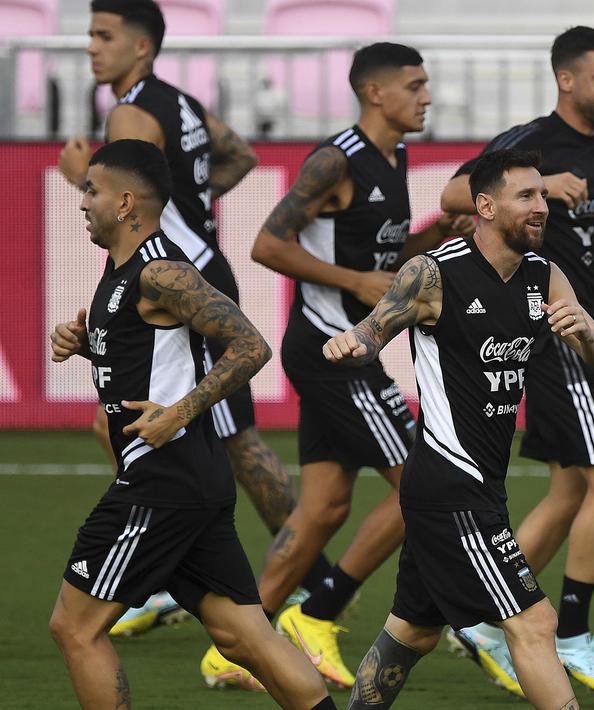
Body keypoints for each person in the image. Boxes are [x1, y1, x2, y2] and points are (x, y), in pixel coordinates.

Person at [57, 0, 339, 641]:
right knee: (195, 432)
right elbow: (239, 155)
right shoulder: (180, 103)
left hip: (176, 279)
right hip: (202, 266)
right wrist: (191, 203)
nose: (92, 47)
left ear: (142, 47)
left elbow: (122, 199)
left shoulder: (128, 113)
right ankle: (291, 571)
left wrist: (80, 177)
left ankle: (301, 574)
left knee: (228, 439)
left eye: (104, 35)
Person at [47, 139, 336, 710]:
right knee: (242, 636)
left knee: (75, 627)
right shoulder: (123, 267)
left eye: (92, 191)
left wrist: (179, 412)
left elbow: (250, 346)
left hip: (162, 483)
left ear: (125, 203)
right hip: (189, 480)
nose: (82, 201)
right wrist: (89, 346)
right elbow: (153, 357)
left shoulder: (161, 271)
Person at [439, 25, 594, 697]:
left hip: (590, 334)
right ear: (566, 80)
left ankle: (482, 620)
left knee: (572, 491)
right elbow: (455, 196)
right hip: (558, 334)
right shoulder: (529, 143)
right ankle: (570, 633)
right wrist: (541, 181)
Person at [323, 148, 594, 710]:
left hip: (480, 484)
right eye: (527, 196)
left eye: (543, 195)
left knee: (413, 630)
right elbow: (373, 332)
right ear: (486, 206)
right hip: (452, 484)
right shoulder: (433, 272)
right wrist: (353, 343)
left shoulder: (545, 275)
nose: (542, 206)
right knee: (535, 623)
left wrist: (588, 334)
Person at [238, 42, 473, 690]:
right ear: (375, 92)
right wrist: (353, 281)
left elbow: (382, 261)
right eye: (414, 85)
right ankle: (317, 615)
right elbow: (266, 244)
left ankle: (237, 644)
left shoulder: (394, 159)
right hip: (331, 348)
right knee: (421, 485)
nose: (427, 96)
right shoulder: (335, 159)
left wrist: (435, 238)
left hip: (342, 347)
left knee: (323, 507)